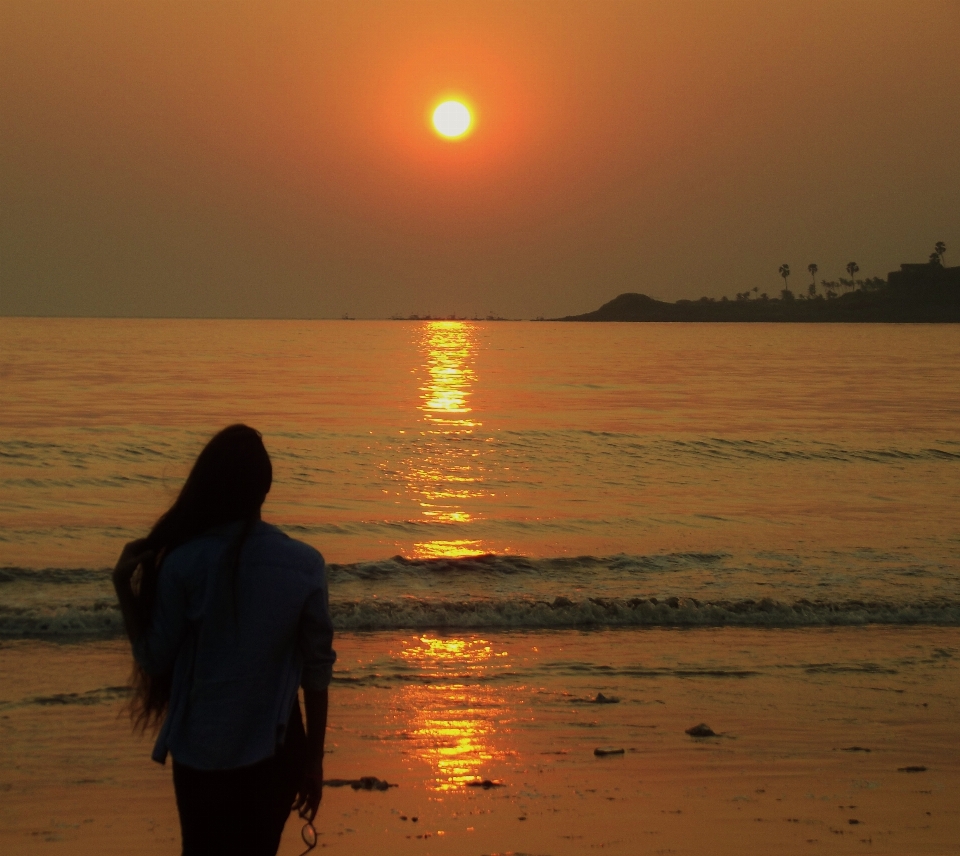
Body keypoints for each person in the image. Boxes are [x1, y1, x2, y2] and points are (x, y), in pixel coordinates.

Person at [112, 424, 335, 856]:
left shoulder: (183, 562)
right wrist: (314, 759)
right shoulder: (304, 564)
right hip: (277, 748)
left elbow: (154, 659)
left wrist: (124, 588)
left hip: (201, 751)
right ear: (265, 488)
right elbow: (317, 671)